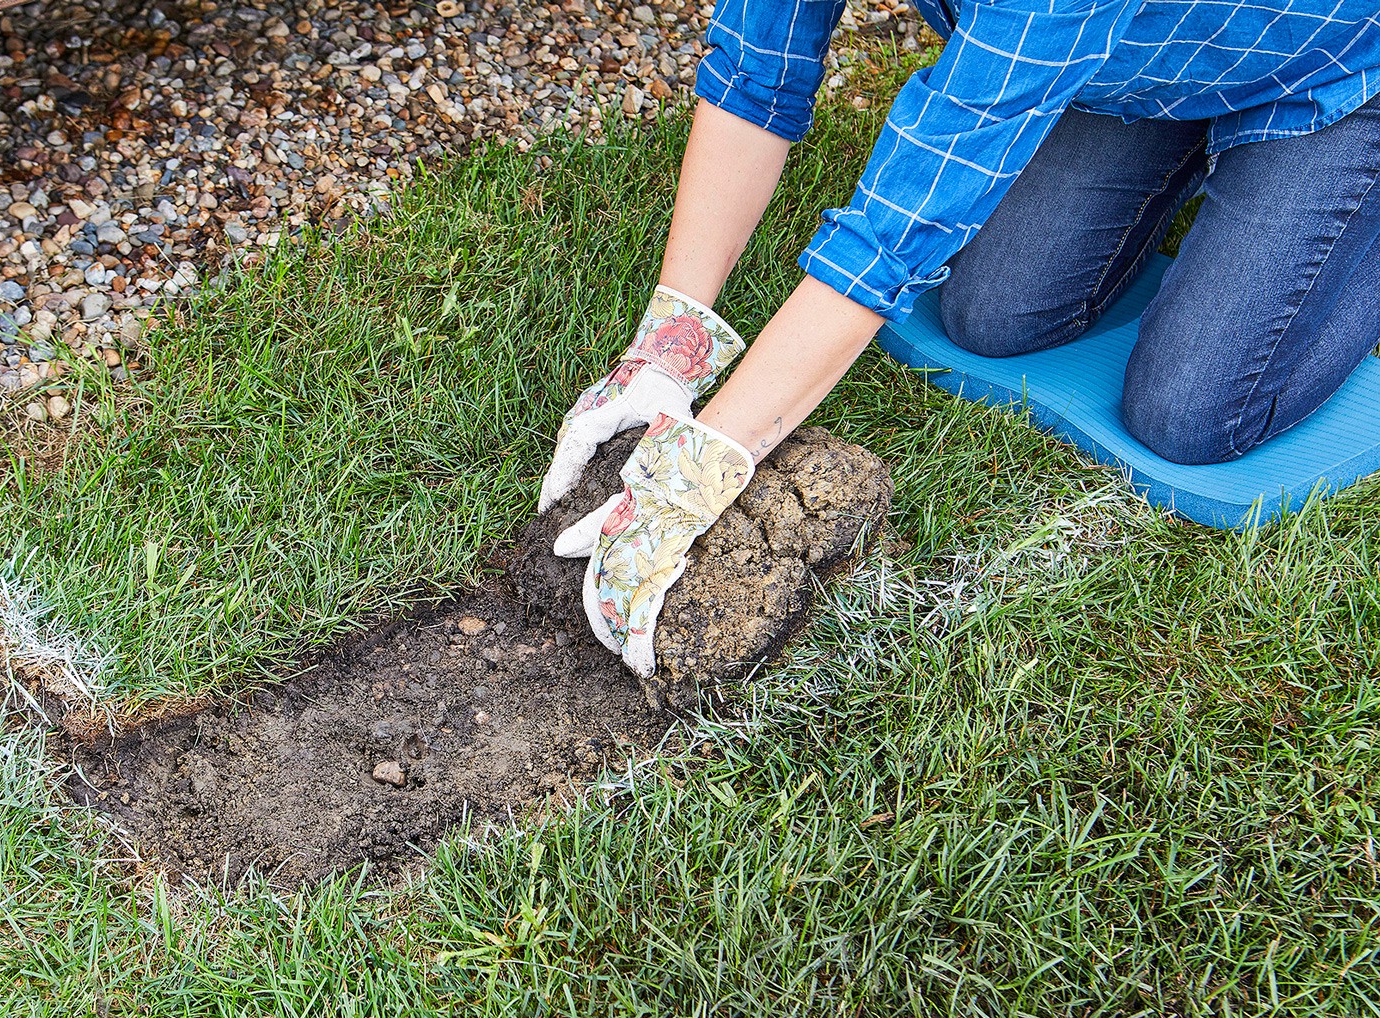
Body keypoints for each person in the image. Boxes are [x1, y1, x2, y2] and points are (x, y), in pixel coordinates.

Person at [540, 0, 1380, 677]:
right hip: (1154, 54)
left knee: (1190, 411)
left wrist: (694, 472)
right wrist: (671, 343)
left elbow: (895, 235)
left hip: (1335, 63)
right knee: (990, 316)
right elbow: (757, 71)